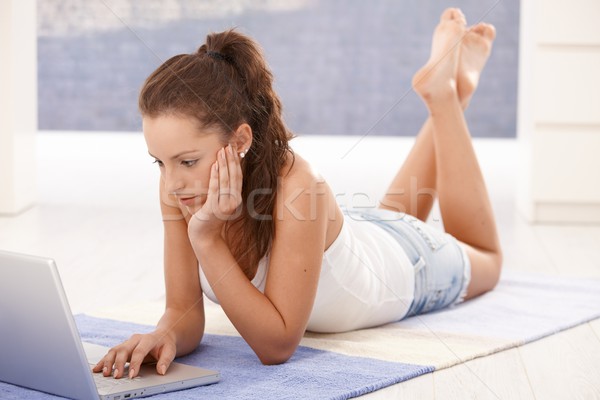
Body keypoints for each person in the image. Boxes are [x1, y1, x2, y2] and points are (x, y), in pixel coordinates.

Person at [94, 8, 502, 379]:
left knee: (487, 257)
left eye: (186, 161)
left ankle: (446, 96)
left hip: (410, 265)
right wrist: (164, 334)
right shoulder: (182, 187)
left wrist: (206, 237)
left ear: (240, 140)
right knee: (387, 220)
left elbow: (277, 345)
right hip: (361, 240)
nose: (170, 183)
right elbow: (184, 314)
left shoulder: (299, 186)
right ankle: (449, 88)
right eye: (158, 162)